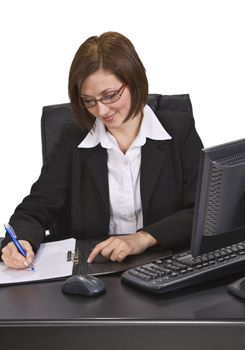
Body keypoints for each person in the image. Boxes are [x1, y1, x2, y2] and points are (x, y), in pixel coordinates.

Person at [1, 31, 203, 269]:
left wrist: (143, 237)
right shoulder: (72, 140)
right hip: (94, 271)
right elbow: (35, 208)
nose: (102, 110)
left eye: (109, 95)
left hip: (165, 267)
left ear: (135, 80)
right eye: (89, 100)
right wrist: (21, 240)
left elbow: (203, 211)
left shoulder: (179, 131)